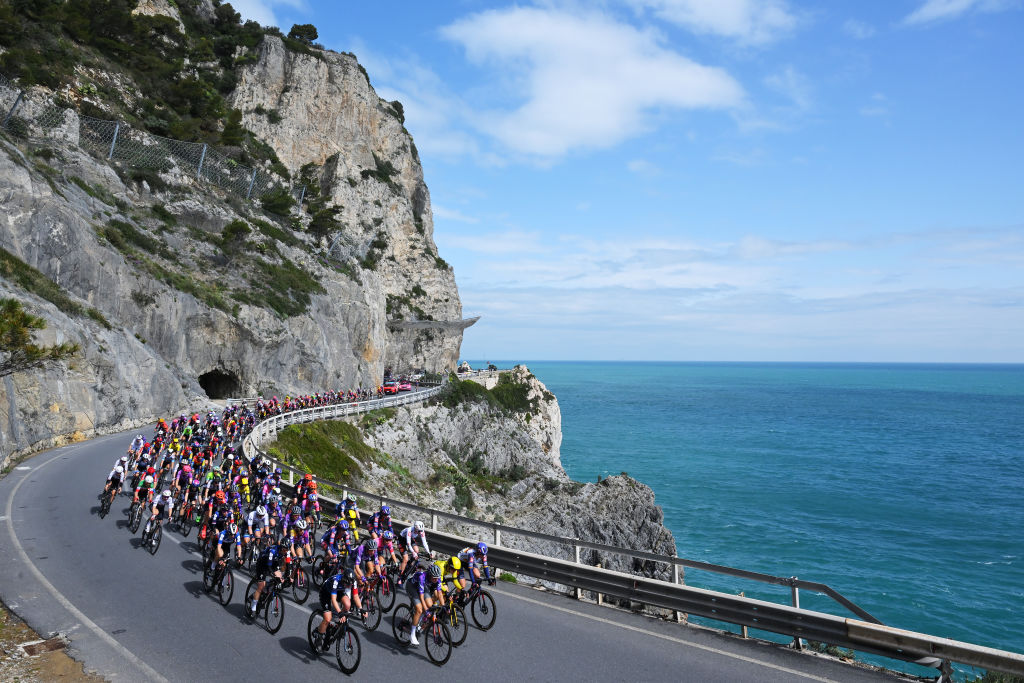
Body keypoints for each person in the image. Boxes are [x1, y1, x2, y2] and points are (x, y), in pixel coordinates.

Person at [313, 569, 363, 651]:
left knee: (347, 605)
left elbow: (355, 596)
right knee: (328, 618)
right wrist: (340, 613)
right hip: (326, 593)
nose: (349, 587)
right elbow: (333, 600)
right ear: (344, 580)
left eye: (350, 585)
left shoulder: (352, 581)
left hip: (339, 591)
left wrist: (361, 609)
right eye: (347, 585)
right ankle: (319, 636)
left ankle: (337, 625)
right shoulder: (336, 581)